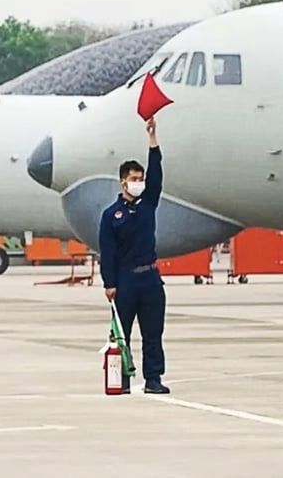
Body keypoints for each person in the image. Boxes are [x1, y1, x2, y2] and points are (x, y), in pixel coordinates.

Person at [97, 116, 169, 395]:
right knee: (121, 334)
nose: (138, 183)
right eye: (134, 179)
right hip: (125, 281)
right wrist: (109, 283)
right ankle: (122, 377)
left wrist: (153, 140)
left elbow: (157, 175)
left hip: (149, 277)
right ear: (122, 182)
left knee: (153, 333)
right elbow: (108, 251)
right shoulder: (111, 215)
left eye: (140, 179)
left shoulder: (148, 204)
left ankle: (153, 378)